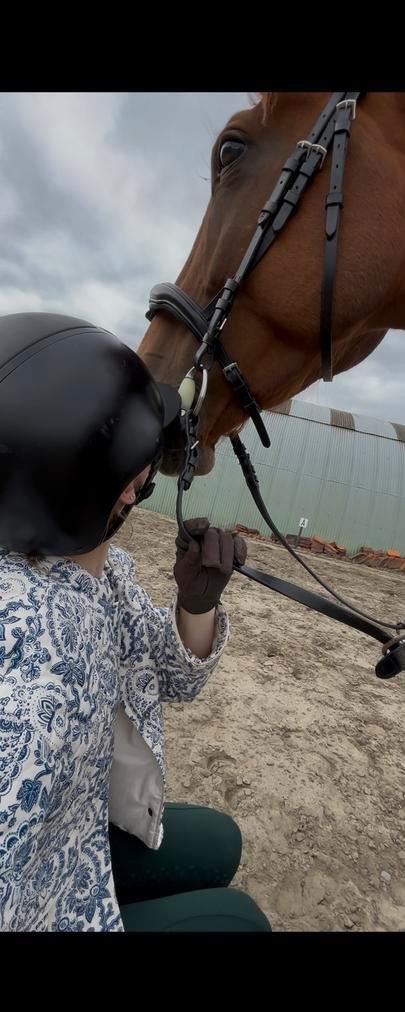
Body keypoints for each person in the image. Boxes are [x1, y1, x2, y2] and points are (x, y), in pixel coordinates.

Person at [0, 312, 271, 933]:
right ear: (116, 488)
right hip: (53, 905)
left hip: (77, 840)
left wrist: (196, 604)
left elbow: (176, 677)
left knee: (220, 841)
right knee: (241, 921)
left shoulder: (100, 570)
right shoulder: (37, 661)